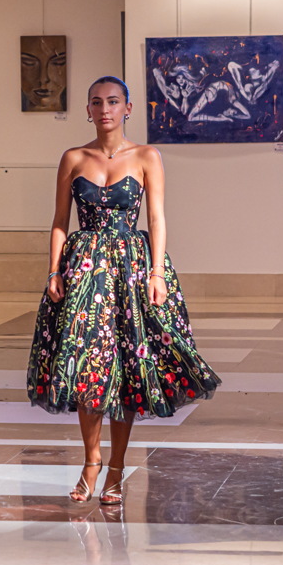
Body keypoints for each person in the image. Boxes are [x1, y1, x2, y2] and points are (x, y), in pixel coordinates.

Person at [27, 75, 221, 506]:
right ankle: (91, 461)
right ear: (88, 110)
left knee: (128, 368)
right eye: (97, 102)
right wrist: (54, 271)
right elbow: (60, 221)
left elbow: (157, 219)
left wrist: (157, 273)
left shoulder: (147, 156)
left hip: (131, 270)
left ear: (127, 108)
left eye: (113, 101)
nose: (105, 109)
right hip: (84, 272)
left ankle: (115, 468)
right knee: (86, 364)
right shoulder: (73, 158)